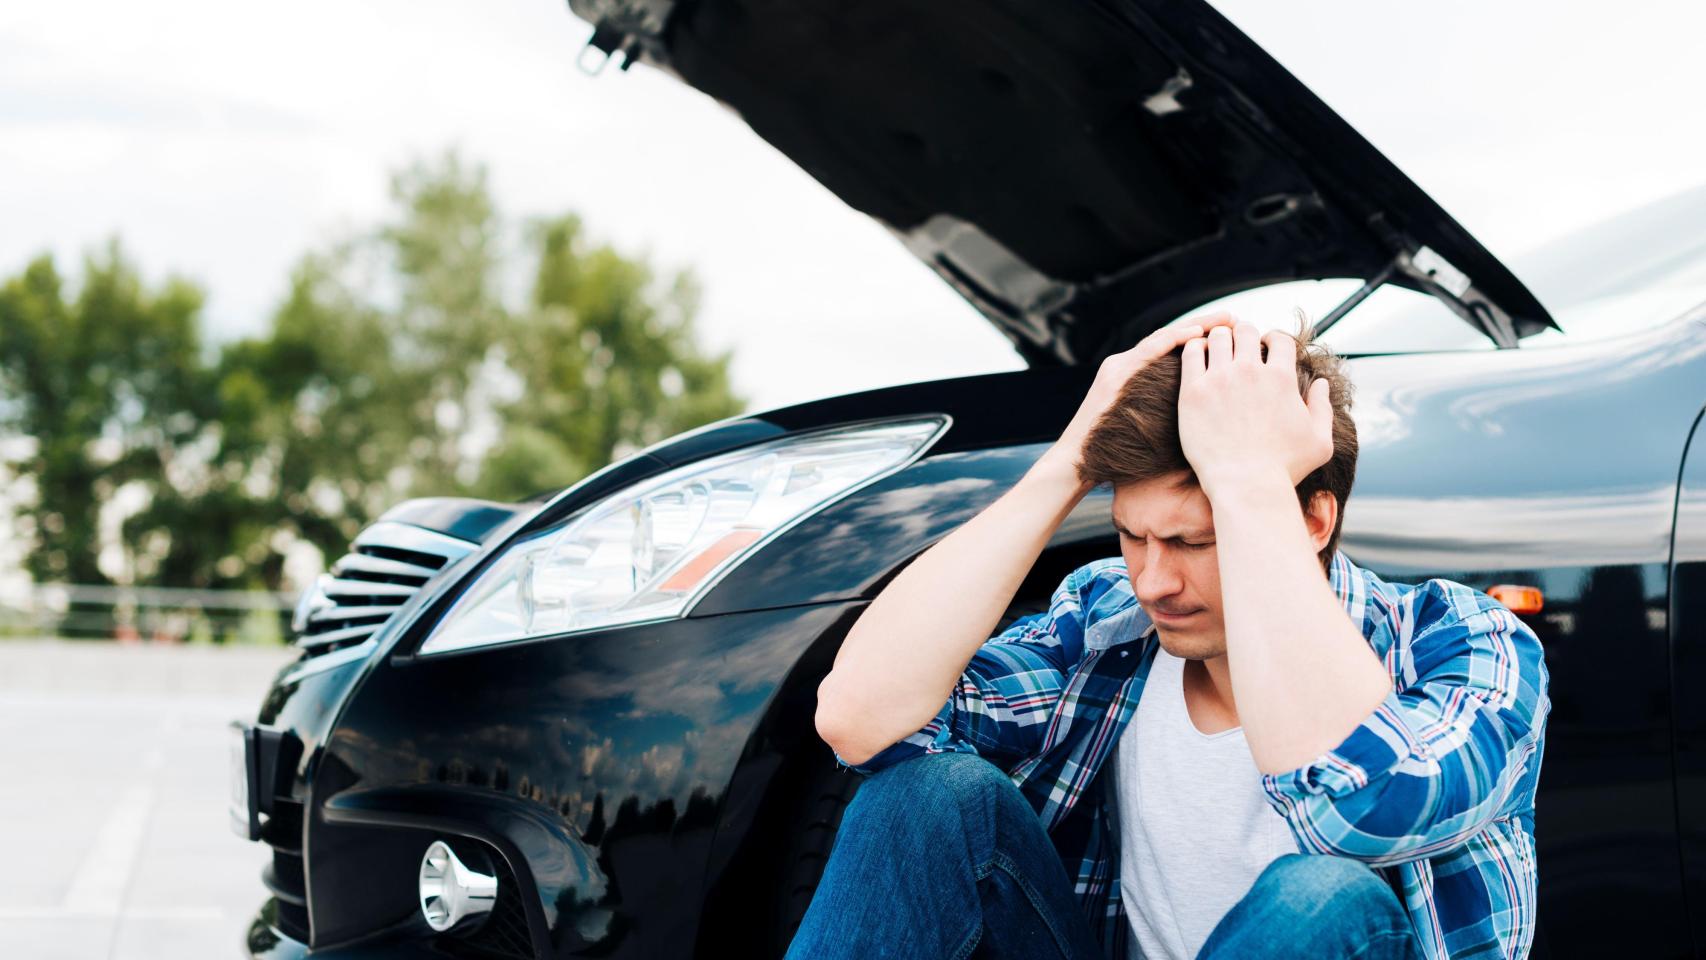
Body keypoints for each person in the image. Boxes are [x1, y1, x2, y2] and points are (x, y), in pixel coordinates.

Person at [796, 313, 1551, 960]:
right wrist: (1069, 458)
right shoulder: (1109, 626)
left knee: (1323, 895)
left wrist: (1250, 484)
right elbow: (862, 719)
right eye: (1133, 537)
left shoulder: (1461, 641)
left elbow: (1360, 810)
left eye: (1193, 541)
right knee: (931, 797)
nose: (1153, 582)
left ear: (1313, 520)